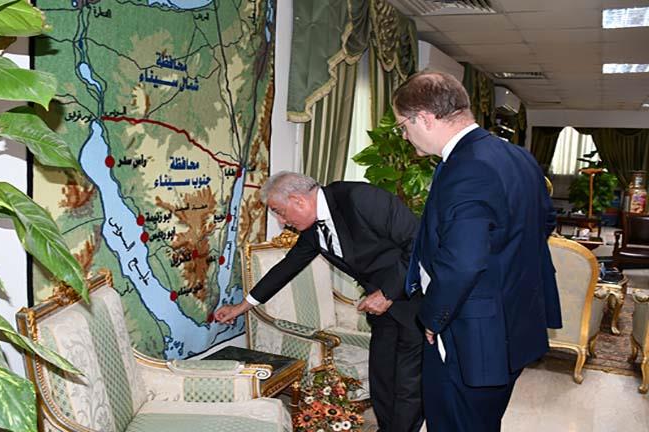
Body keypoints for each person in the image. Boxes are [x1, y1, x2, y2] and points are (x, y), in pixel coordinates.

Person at [393, 70, 562, 432]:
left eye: (403, 126)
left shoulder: (466, 167)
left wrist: (433, 318)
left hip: (471, 333)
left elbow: (464, 262)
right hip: (514, 322)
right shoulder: (517, 156)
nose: (404, 136)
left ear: (424, 118)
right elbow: (543, 222)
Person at [214, 171, 423, 432]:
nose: (281, 222)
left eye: (280, 212)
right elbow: (285, 269)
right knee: (382, 377)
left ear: (298, 200)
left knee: (408, 382)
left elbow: (420, 243)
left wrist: (387, 293)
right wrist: (241, 307)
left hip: (413, 301)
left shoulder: (359, 198)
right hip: (380, 309)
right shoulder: (315, 229)